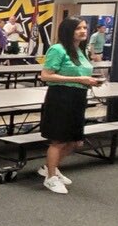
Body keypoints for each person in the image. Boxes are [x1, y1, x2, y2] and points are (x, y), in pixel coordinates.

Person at [38, 17, 101, 194]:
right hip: (61, 98)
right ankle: (50, 177)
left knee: (76, 141)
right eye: (78, 28)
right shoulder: (57, 49)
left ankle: (51, 167)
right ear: (68, 31)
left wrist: (90, 81)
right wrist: (78, 79)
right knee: (59, 139)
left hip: (78, 97)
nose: (83, 31)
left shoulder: (80, 50)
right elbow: (46, 75)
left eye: (84, 28)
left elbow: (81, 72)